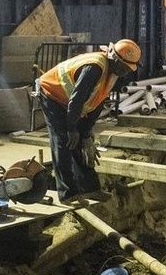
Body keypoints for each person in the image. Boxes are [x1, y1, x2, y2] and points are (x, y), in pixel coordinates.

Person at [37, 39, 140, 205]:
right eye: (123, 67)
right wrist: (71, 128)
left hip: (68, 101)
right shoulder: (94, 67)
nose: (125, 71)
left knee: (81, 145)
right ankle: (67, 193)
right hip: (51, 94)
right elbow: (77, 99)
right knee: (63, 141)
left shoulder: (112, 74)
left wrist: (85, 133)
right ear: (114, 58)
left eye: (128, 69)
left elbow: (96, 103)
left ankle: (90, 188)